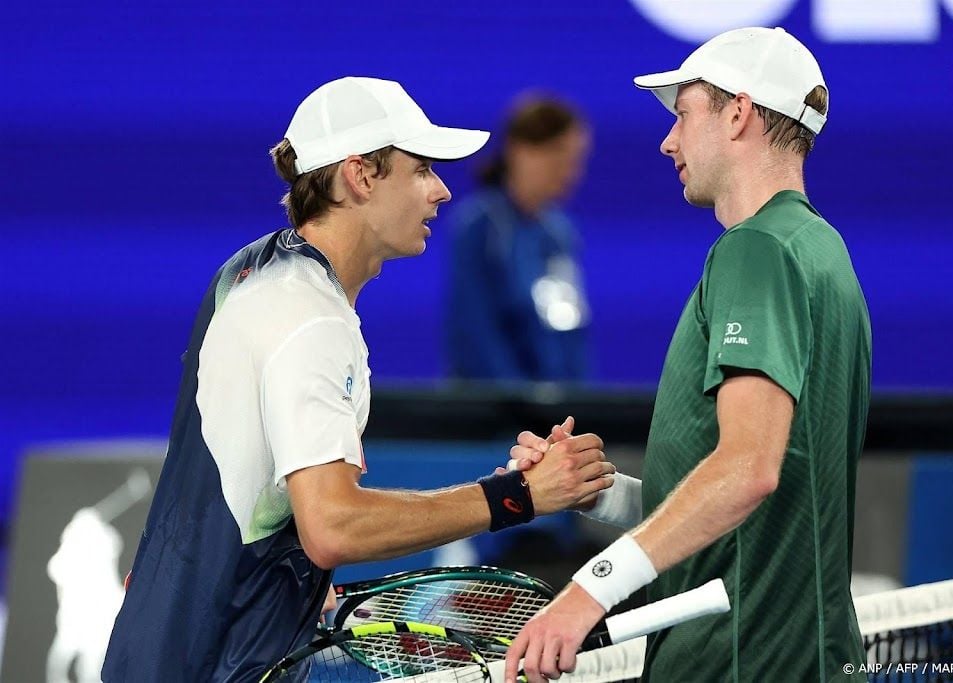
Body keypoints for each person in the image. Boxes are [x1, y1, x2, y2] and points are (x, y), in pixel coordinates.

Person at [101, 77, 615, 682]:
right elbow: (334, 526)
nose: (442, 190)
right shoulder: (311, 320)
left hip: (167, 642)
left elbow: (248, 487)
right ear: (360, 176)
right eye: (420, 168)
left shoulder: (250, 270)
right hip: (224, 663)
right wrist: (516, 497)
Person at [503, 28, 872, 682]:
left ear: (739, 113)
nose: (667, 140)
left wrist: (590, 588)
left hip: (739, 663)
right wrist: (604, 495)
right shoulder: (822, 252)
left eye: (683, 112)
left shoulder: (758, 250)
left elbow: (748, 468)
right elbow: (759, 501)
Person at [445, 95, 592, 382]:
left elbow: (569, 324)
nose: (568, 171)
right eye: (556, 154)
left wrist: (575, 404)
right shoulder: (478, 228)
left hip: (555, 416)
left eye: (575, 160)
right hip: (493, 414)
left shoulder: (559, 235)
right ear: (519, 150)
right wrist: (522, 404)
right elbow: (476, 330)